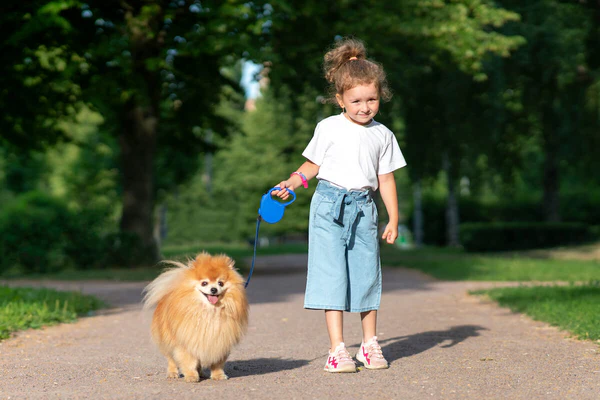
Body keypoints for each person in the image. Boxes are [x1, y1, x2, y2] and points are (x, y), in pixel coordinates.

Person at [272, 38, 407, 373]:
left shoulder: (383, 135)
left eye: (371, 99)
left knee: (366, 275)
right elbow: (311, 167)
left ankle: (370, 344)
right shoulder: (328, 128)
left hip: (364, 208)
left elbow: (386, 179)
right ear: (340, 99)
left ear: (380, 97)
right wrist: (291, 182)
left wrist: (393, 218)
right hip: (328, 206)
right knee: (331, 276)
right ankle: (337, 349)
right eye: (356, 100)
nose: (364, 107)